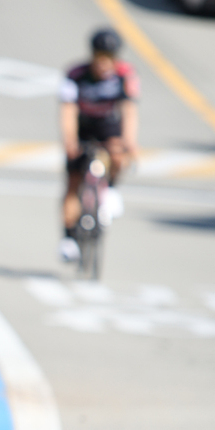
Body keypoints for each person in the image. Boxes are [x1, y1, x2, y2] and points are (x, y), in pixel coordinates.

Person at [58, 28, 139, 263]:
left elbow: (129, 110)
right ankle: (69, 238)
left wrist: (130, 142)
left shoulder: (125, 75)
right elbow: (68, 110)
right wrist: (70, 140)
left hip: (107, 125)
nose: (104, 63)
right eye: (100, 57)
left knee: (117, 152)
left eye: (109, 57)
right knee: (73, 182)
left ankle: (111, 188)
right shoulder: (75, 74)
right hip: (83, 125)